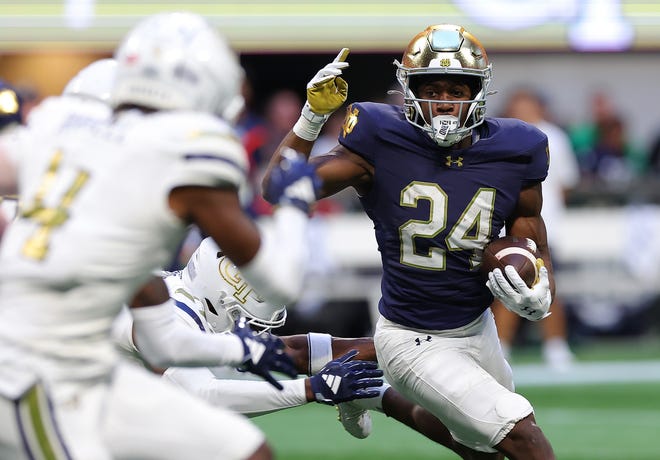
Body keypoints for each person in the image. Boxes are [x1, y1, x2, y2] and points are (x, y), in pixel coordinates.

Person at [0, 12, 321, 460]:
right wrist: (295, 204)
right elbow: (282, 281)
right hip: (31, 370)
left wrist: (241, 349)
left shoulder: (57, 128)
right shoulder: (185, 150)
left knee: (242, 449)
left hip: (90, 367)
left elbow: (160, 342)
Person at [263, 24, 556, 459]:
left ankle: (372, 393)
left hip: (478, 329)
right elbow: (277, 187)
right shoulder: (381, 138)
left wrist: (541, 288)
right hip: (409, 335)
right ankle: (379, 384)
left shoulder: (517, 148)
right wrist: (311, 117)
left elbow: (531, 233)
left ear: (479, 91)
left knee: (481, 450)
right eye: (430, 88)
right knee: (523, 436)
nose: (442, 101)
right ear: (408, 89)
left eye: (456, 89)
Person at [116, 236, 507, 459]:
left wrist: (404, 347)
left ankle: (471, 450)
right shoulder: (166, 312)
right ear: (226, 286)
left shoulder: (197, 306)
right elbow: (205, 395)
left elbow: (298, 353)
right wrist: (312, 390)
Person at [493, 87, 579, 371]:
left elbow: (565, 184)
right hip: (508, 227)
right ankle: (501, 346)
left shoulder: (553, 136)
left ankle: (555, 345)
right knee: (505, 286)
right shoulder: (501, 135)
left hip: (545, 224)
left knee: (547, 287)